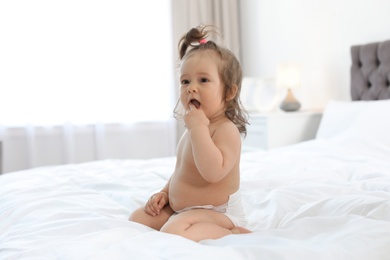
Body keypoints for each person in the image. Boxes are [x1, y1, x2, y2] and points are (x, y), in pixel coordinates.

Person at [129, 25, 251, 242]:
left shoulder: (225, 130)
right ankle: (177, 216)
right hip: (185, 209)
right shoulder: (195, 128)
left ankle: (232, 233)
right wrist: (165, 193)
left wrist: (198, 129)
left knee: (173, 231)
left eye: (203, 80)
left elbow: (212, 172)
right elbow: (182, 171)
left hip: (218, 213)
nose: (191, 88)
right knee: (138, 218)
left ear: (229, 92)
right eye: (185, 81)